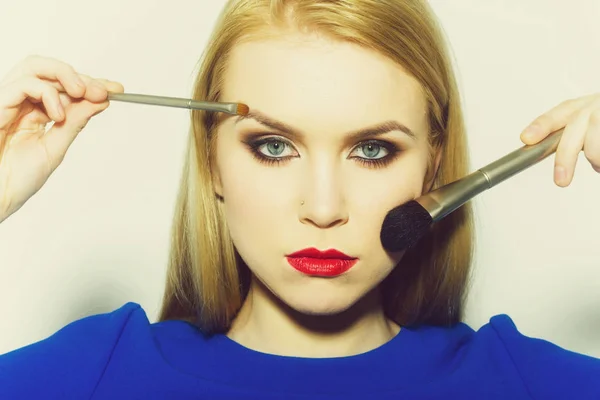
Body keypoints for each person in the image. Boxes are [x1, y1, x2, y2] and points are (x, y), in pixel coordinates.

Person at [0, 0, 599, 398]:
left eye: (372, 151)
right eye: (273, 146)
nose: (322, 207)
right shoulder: (87, 376)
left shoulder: (529, 382)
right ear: (212, 159)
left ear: (433, 165)